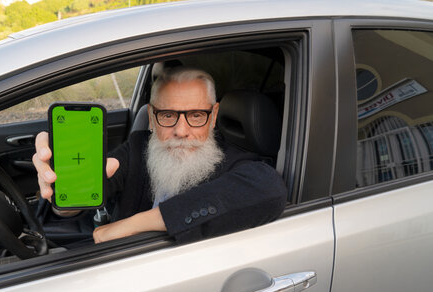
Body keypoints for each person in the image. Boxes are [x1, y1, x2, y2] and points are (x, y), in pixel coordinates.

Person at [32, 67, 287, 244]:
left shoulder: (234, 162)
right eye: (168, 115)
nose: (181, 131)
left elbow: (269, 189)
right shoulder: (138, 147)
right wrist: (63, 183)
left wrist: (133, 224)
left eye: (197, 115)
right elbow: (87, 194)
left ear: (214, 115)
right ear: (152, 116)